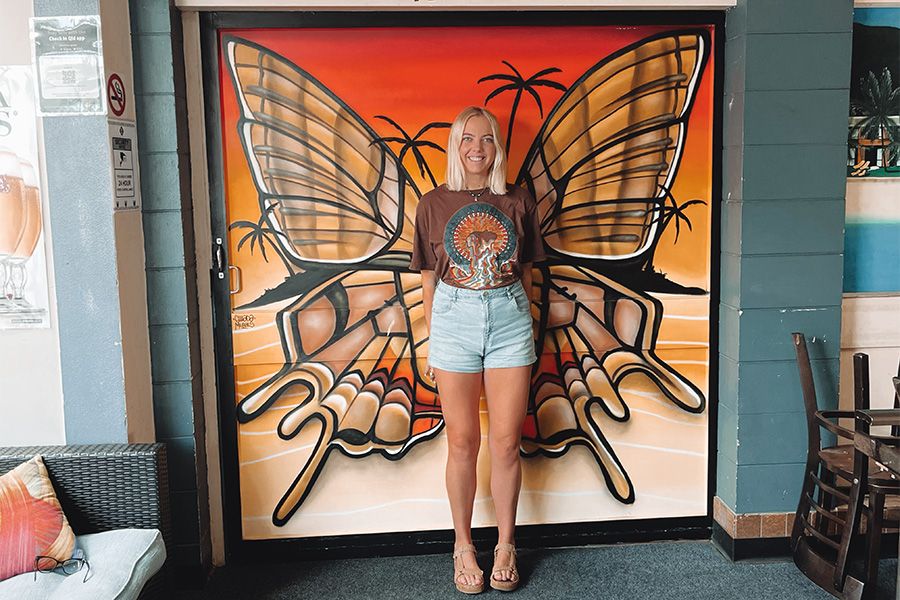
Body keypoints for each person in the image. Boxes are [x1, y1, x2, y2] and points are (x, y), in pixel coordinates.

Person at [409, 106, 546, 594]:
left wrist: (517, 317)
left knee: (508, 442)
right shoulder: (432, 203)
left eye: (487, 139)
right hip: (452, 321)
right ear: (455, 145)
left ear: (497, 148)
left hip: (509, 320)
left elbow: (529, 273)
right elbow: (428, 280)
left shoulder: (519, 201)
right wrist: (434, 337)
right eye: (468, 139)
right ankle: (463, 546)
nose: (477, 148)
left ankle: (506, 544)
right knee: (463, 441)